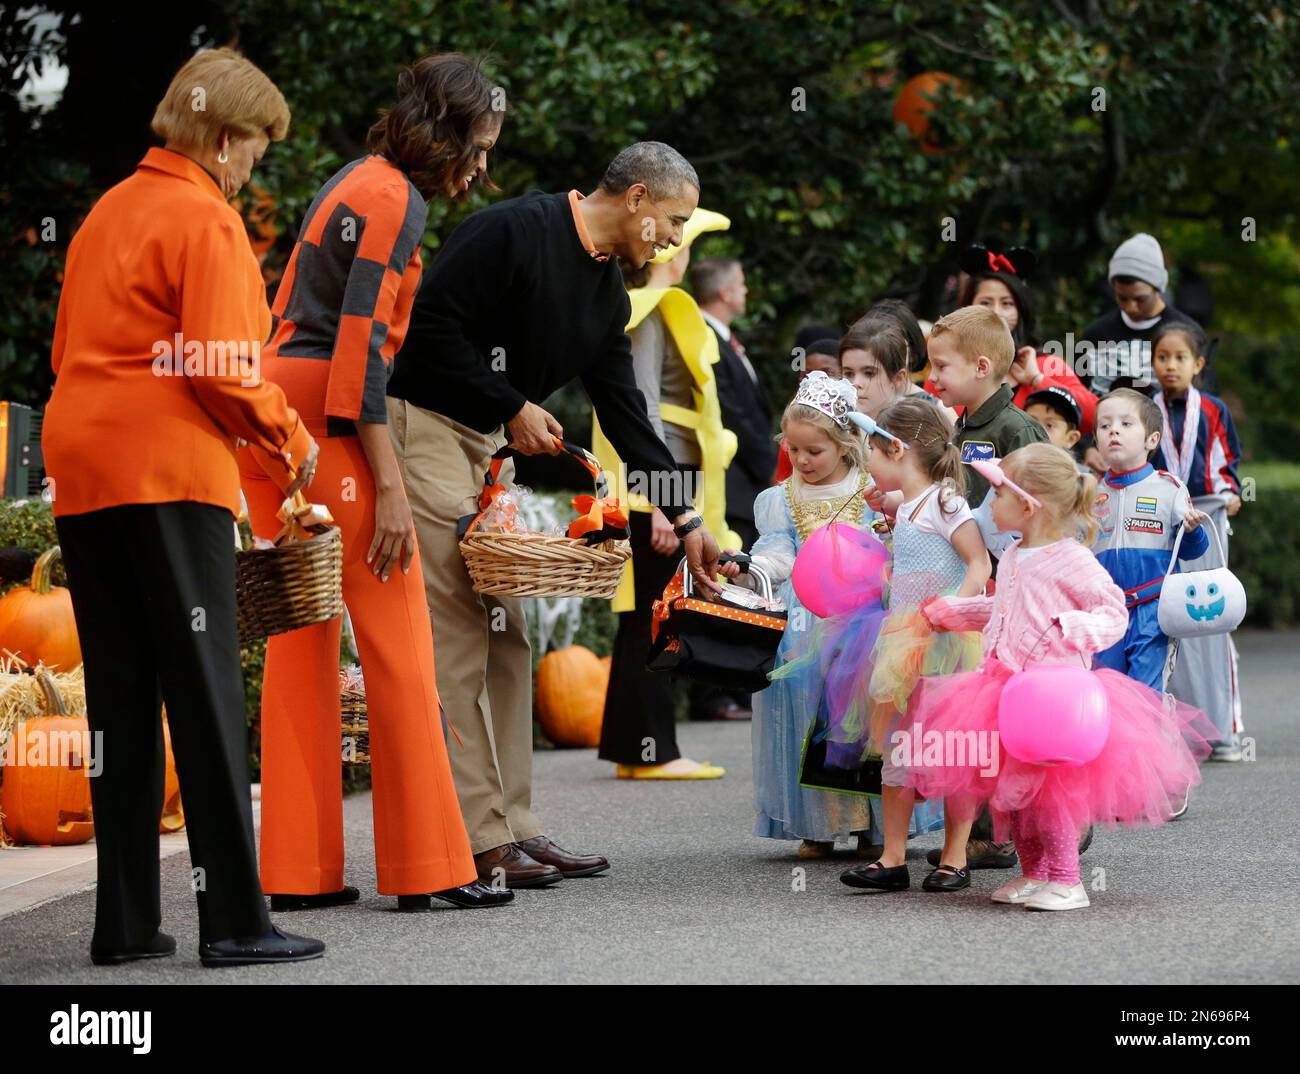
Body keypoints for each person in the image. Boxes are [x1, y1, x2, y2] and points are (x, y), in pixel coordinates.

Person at [42, 48, 323, 966]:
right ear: (224, 134)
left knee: (118, 702)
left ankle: (123, 926)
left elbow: (67, 349)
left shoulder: (104, 215)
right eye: (255, 150)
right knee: (203, 692)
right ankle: (237, 922)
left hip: (82, 468)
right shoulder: (204, 219)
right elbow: (222, 368)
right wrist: (289, 436)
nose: (253, 168)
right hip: (166, 469)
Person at [385, 141, 722, 888]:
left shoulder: (604, 296)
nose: (673, 239)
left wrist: (689, 522)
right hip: (425, 429)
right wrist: (510, 405)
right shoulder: (510, 231)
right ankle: (476, 838)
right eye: (671, 220)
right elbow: (427, 332)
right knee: (463, 641)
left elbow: (628, 419)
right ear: (634, 197)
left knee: (510, 635)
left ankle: (516, 826)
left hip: (483, 448)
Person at [240, 54, 506, 913]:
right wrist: (390, 487)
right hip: (330, 418)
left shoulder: (359, 179)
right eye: (481, 144)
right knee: (398, 641)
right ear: (451, 129)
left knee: (302, 640)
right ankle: (433, 868)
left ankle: (298, 872)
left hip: (277, 410)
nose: (483, 165)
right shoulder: (396, 199)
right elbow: (360, 356)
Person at [910, 444, 1212, 911]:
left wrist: (1074, 628)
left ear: (1028, 505)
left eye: (996, 495)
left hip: (1053, 699)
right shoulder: (1013, 554)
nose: (989, 506)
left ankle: (1068, 880)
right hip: (1004, 689)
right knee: (1012, 796)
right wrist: (958, 611)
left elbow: (1112, 611)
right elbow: (1006, 609)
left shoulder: (1070, 558)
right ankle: (1035, 875)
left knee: (1051, 794)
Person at [718, 373, 908, 857]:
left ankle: (873, 826)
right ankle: (819, 825)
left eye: (814, 452)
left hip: (866, 618)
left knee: (866, 719)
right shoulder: (782, 499)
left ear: (846, 445)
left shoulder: (872, 490)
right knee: (808, 715)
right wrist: (751, 566)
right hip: (806, 622)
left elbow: (892, 543)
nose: (802, 460)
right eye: (794, 449)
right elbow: (779, 552)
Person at [591, 208, 740, 775]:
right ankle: (650, 751)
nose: (685, 255)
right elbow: (644, 411)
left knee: (647, 617)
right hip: (659, 488)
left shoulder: (653, 312)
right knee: (657, 615)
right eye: (681, 246)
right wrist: (663, 502)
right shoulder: (650, 315)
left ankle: (638, 749)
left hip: (663, 484)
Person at [835, 398, 989, 893]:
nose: (868, 467)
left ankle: (954, 855)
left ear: (897, 449)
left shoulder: (948, 502)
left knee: (955, 750)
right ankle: (894, 856)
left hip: (946, 644)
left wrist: (953, 608)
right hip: (902, 641)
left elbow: (979, 564)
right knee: (897, 747)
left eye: (872, 455)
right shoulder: (909, 506)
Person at [1148, 320, 1245, 761]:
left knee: (1212, 616)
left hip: (1206, 514)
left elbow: (1228, 463)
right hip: (1161, 516)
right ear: (1152, 362)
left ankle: (1224, 726)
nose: (1170, 366)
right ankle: (1175, 730)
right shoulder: (1144, 409)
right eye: (1162, 357)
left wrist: (1232, 493)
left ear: (1198, 364)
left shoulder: (1213, 409)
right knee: (1166, 618)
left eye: (1180, 358)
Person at [1091, 388, 1209, 692]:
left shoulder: (1169, 489)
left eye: (1126, 424)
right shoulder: (1087, 494)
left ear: (1152, 440)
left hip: (1153, 609)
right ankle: (1115, 742)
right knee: (1107, 689)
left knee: (1145, 693)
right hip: (1105, 611)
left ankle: (1148, 741)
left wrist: (1194, 531)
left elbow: (1192, 551)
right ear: (1096, 441)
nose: (1113, 430)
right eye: (1104, 426)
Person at [955, 244, 1097, 436]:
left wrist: (1037, 379)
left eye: (1007, 304)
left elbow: (1096, 417)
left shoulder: (1045, 365)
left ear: (1022, 311)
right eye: (985, 303)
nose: (996, 312)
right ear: (967, 309)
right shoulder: (950, 364)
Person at [694, 256, 777, 553]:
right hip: (735, 487)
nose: (746, 291)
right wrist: (770, 465)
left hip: (746, 485)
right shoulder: (704, 336)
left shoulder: (723, 337)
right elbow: (732, 414)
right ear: (725, 293)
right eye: (741, 285)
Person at [1078, 232, 1215, 399]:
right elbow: (1079, 396)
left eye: (1140, 299)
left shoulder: (1187, 333)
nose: (1131, 307)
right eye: (1122, 298)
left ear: (1158, 288)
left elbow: (1205, 398)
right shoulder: (1096, 334)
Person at [773, 336, 843, 483]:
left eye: (827, 374)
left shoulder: (864, 431)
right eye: (807, 375)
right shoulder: (794, 432)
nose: (815, 381)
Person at [1024, 383, 1085, 461]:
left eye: (1049, 425)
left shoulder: (1066, 473)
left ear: (1071, 439)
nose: (1036, 431)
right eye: (1030, 421)